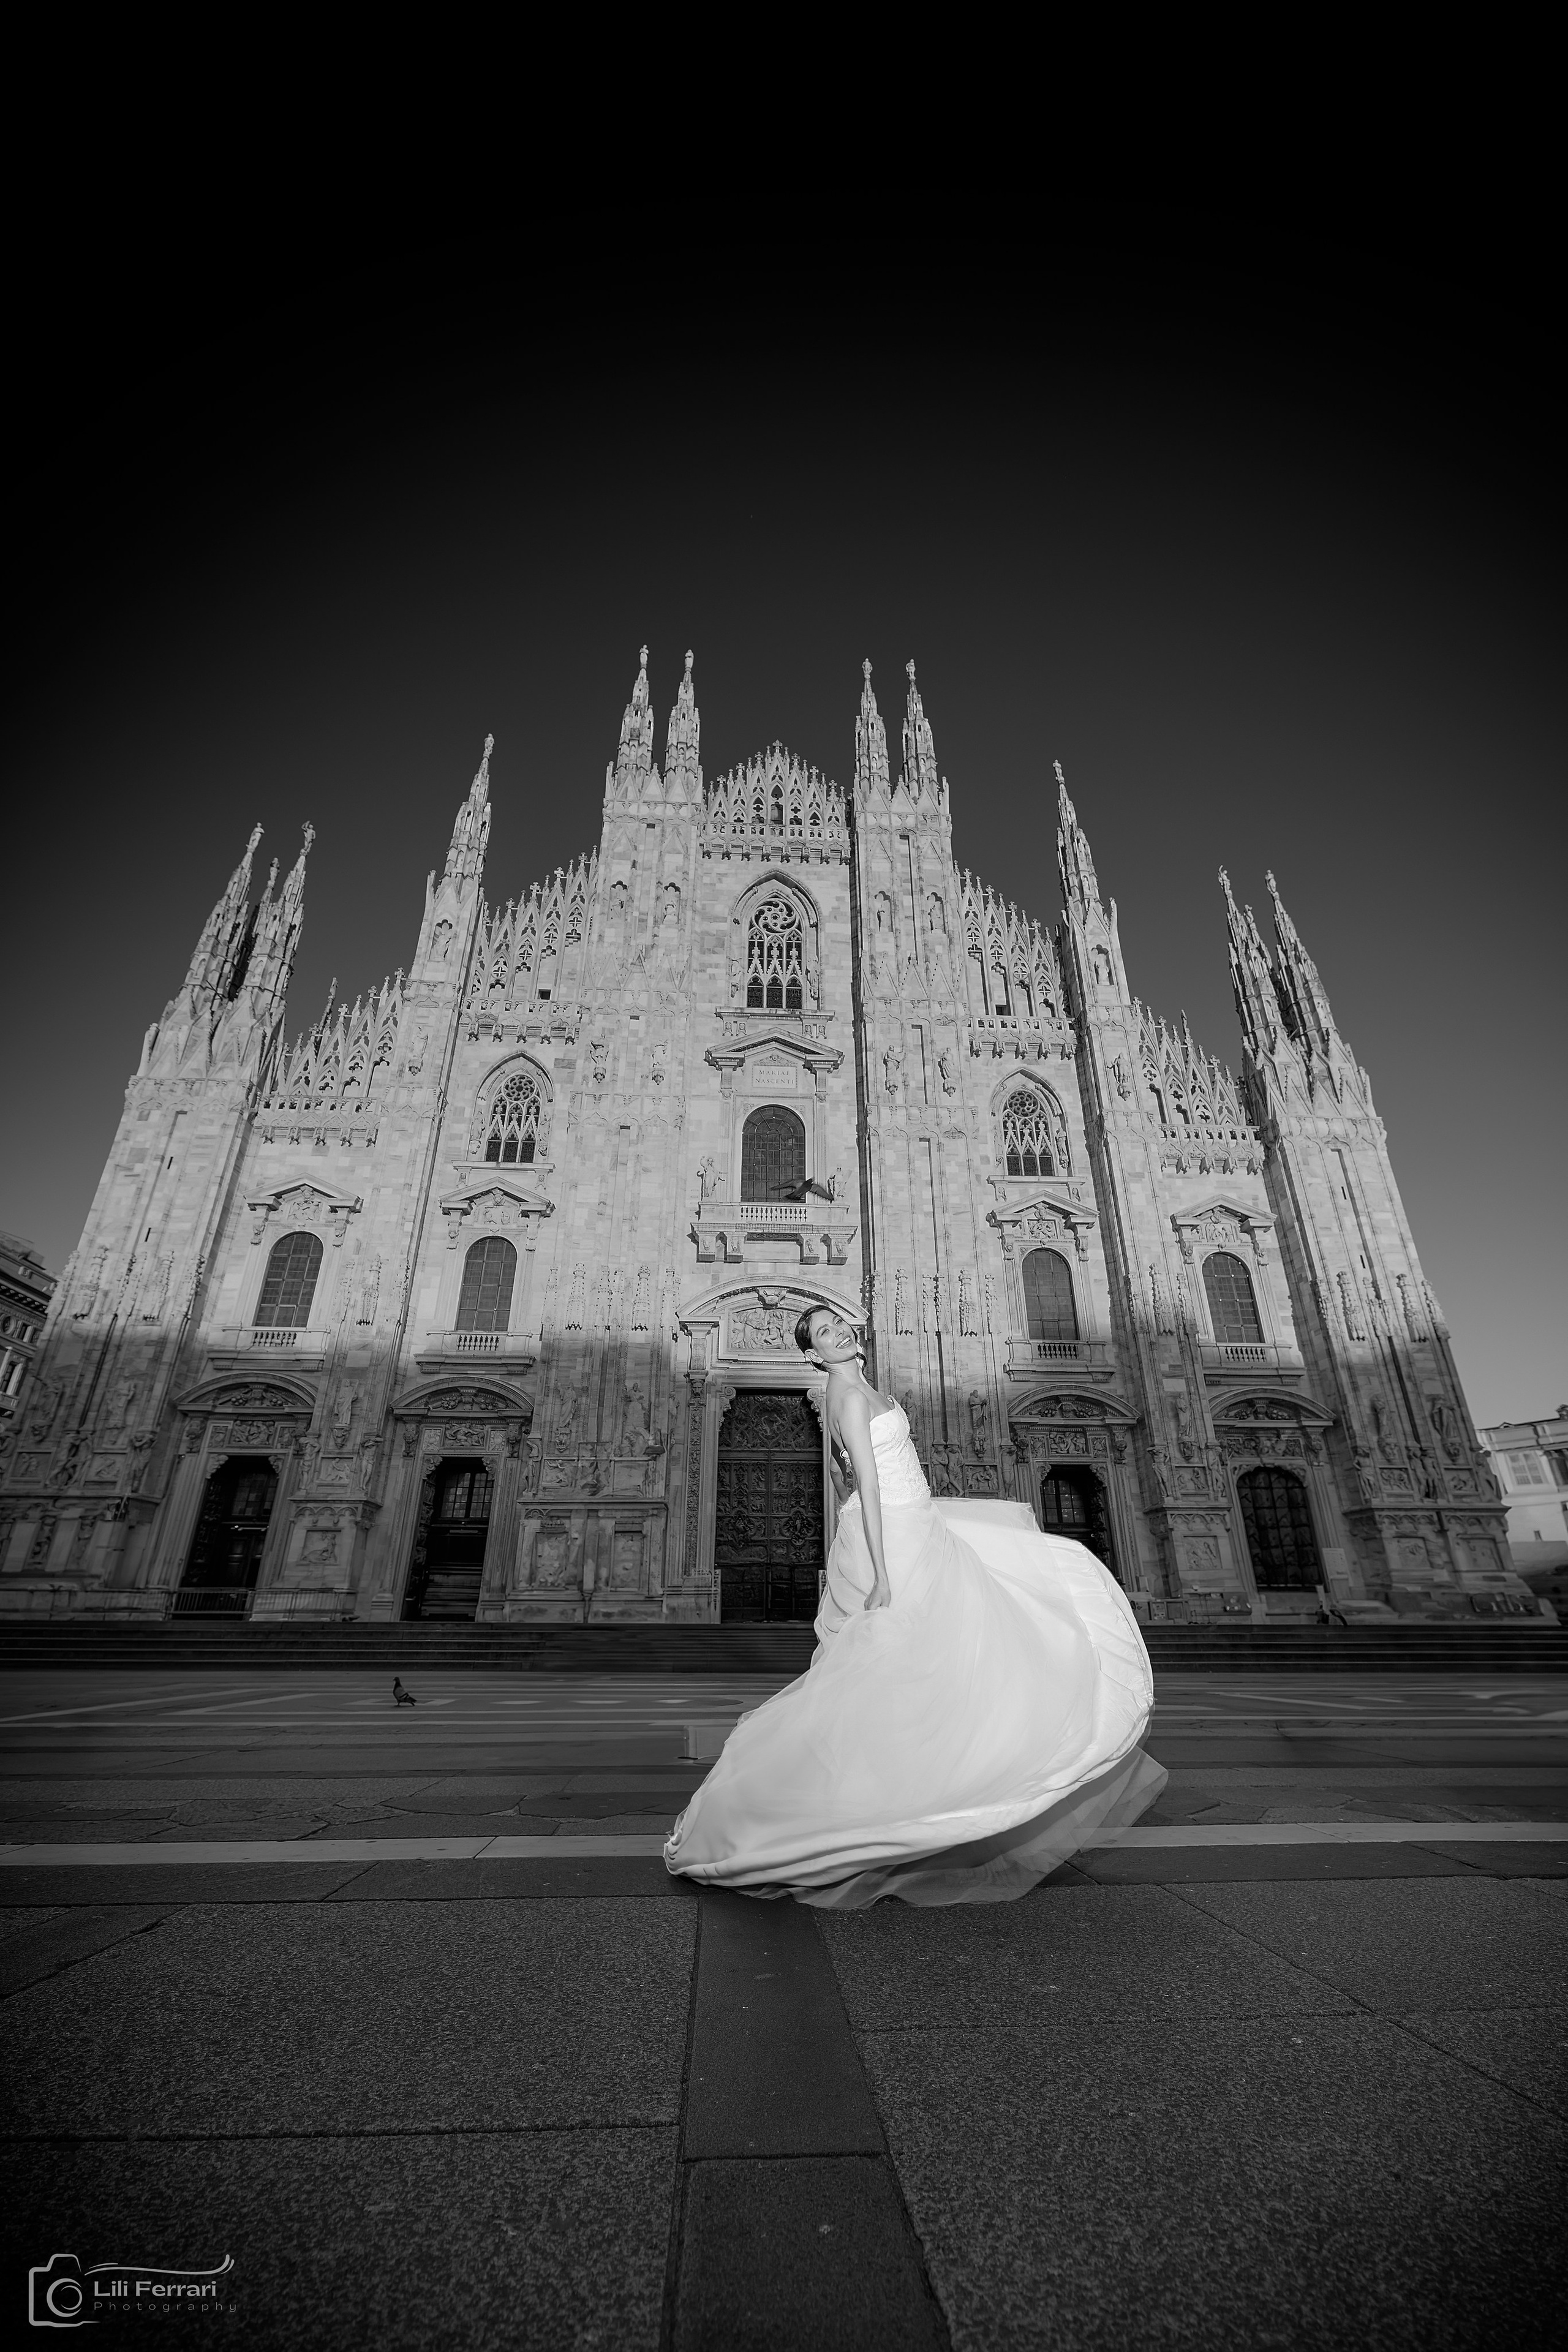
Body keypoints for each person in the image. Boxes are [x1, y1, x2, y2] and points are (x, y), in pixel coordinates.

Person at [664, 1305, 1166, 1907]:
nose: (839, 1333)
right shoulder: (846, 1396)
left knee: (918, 1666)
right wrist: (879, 1567)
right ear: (813, 1356)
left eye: (837, 1323)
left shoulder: (855, 1389)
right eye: (823, 1333)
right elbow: (867, 1488)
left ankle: (903, 1791)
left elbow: (844, 1470)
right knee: (902, 1665)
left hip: (914, 1523)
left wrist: (885, 1508)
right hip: (893, 1537)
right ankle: (851, 1805)